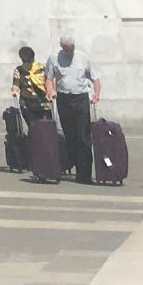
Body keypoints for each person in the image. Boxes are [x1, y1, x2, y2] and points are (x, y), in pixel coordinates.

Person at [48, 34, 99, 183]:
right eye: (67, 49)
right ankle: (75, 166)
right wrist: (50, 90)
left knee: (83, 136)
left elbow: (95, 78)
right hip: (63, 98)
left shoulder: (83, 57)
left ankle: (85, 174)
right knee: (70, 136)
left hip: (80, 97)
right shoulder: (53, 58)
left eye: (72, 49)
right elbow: (49, 78)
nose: (70, 52)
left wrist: (96, 93)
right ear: (62, 48)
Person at [11, 45, 50, 126]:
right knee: (33, 128)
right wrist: (15, 90)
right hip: (27, 104)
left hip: (43, 103)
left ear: (32, 60)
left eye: (28, 62)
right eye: (24, 62)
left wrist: (50, 91)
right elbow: (16, 83)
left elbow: (48, 82)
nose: (26, 64)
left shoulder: (42, 68)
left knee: (47, 127)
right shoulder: (19, 70)